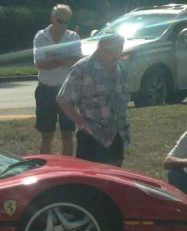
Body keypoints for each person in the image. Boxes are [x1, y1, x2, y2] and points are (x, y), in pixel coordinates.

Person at [57, 34, 130, 167]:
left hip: (116, 133)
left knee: (115, 178)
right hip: (92, 134)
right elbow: (63, 99)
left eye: (119, 50)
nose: (116, 54)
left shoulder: (121, 68)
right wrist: (82, 124)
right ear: (100, 48)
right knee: (91, 177)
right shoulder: (82, 68)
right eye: (112, 50)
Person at [33, 4, 82, 155]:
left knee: (67, 134)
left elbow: (76, 62)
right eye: (60, 21)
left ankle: (67, 168)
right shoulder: (41, 36)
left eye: (67, 22)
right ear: (52, 18)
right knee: (46, 135)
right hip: (46, 90)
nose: (63, 25)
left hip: (67, 91)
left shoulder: (73, 37)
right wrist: (64, 59)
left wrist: (54, 57)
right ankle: (46, 170)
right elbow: (40, 64)